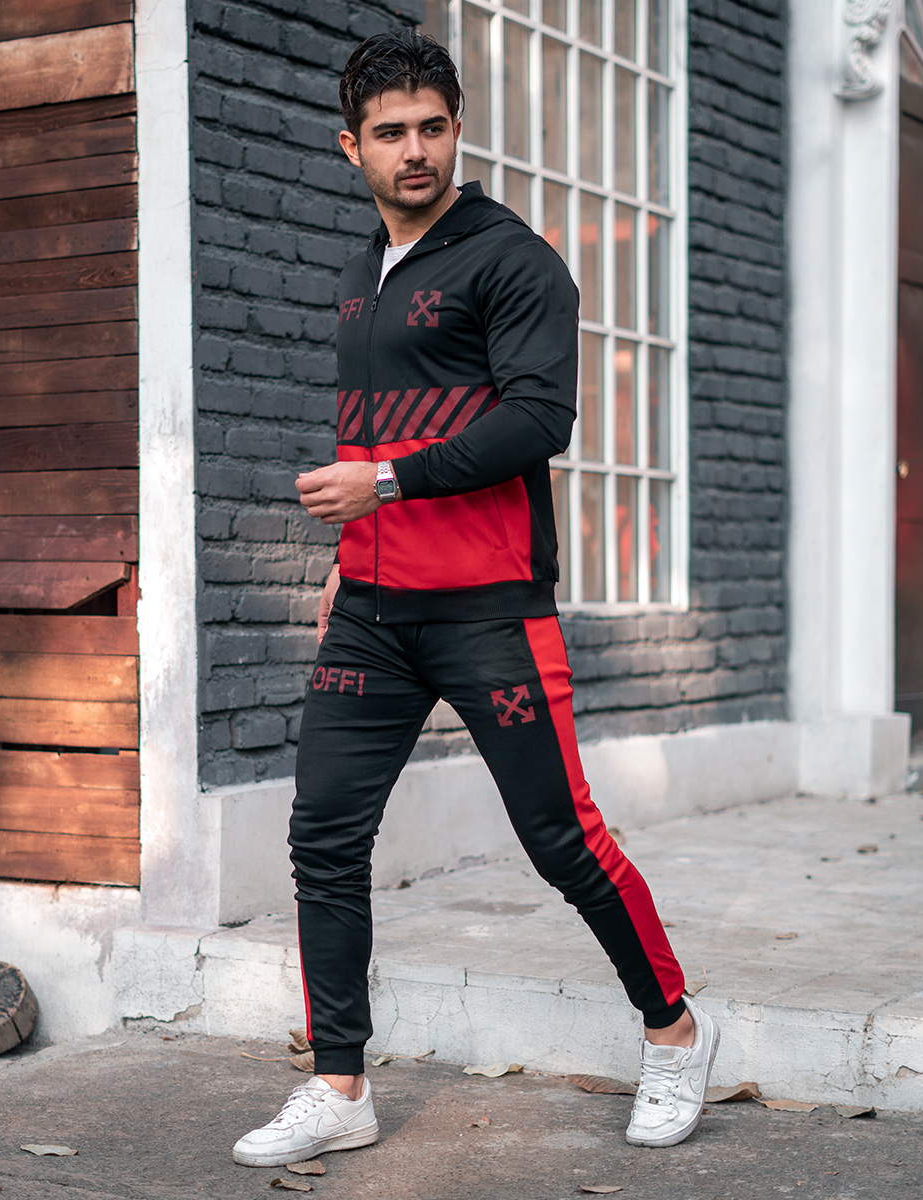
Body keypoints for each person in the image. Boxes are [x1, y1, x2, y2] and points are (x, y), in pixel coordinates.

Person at [232, 28, 718, 1168]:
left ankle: (676, 1033)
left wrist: (386, 485)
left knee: (561, 839)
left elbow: (538, 420)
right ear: (351, 147)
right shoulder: (361, 276)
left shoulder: (514, 261)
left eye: (432, 128)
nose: (414, 150)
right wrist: (350, 558)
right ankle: (340, 1085)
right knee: (322, 838)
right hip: (372, 611)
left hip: (489, 607)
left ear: (457, 131)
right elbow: (368, 434)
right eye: (390, 133)